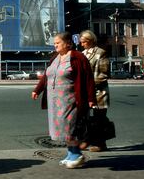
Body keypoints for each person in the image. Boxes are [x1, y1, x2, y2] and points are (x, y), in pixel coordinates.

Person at [32, 32, 96, 168]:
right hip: (55, 101)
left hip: (70, 100)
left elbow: (88, 78)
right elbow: (47, 76)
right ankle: (70, 152)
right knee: (61, 128)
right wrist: (37, 90)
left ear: (68, 43)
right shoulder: (55, 58)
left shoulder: (78, 57)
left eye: (58, 43)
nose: (55, 45)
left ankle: (77, 154)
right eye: (54, 43)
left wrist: (91, 98)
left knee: (69, 127)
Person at [80, 30, 110, 152]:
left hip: (99, 93)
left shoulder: (101, 53)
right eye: (81, 42)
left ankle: (100, 143)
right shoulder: (82, 53)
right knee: (85, 118)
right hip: (86, 93)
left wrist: (89, 85)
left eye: (84, 42)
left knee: (99, 119)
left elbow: (104, 74)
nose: (82, 44)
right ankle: (88, 140)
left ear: (91, 41)